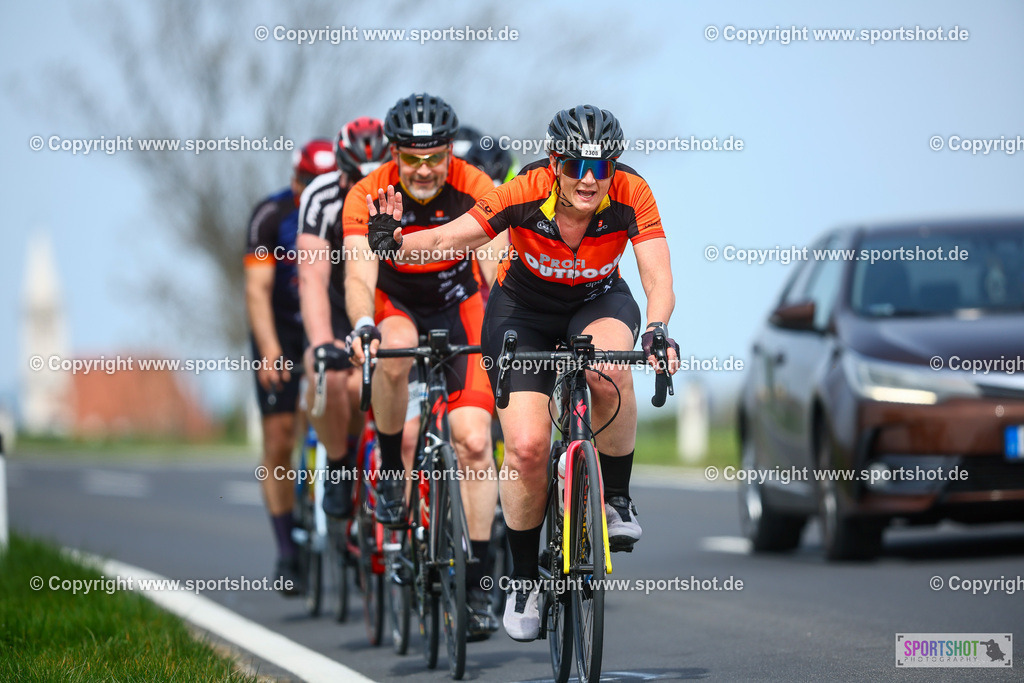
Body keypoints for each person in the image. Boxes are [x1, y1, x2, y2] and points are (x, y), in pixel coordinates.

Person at [364, 104, 681, 641]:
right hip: (522, 312)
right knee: (528, 450)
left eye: (601, 167)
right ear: (554, 163)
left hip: (599, 301)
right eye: (576, 166)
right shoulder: (523, 191)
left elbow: (658, 275)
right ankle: (524, 578)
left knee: (609, 370)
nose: (588, 179)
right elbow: (447, 239)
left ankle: (616, 499)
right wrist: (395, 243)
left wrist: (656, 327)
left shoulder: (632, 192)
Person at [344, 93, 503, 639]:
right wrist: (361, 323)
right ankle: (393, 470)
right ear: (394, 153)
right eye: (412, 159)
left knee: (475, 442)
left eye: (435, 157)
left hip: (460, 305)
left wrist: (512, 323)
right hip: (397, 305)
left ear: (450, 151)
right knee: (392, 349)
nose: (424, 169)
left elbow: (497, 268)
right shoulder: (367, 193)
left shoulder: (476, 184)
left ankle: (478, 583)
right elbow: (358, 274)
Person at [244, 138, 338, 593]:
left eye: (324, 182)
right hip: (280, 329)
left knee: (335, 413)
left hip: (325, 323)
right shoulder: (269, 215)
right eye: (306, 181)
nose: (313, 190)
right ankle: (287, 551)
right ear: (294, 179)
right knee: (280, 439)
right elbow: (257, 290)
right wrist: (268, 349)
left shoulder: (345, 208)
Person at [297, 118, 389, 519]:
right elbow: (312, 277)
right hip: (337, 305)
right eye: (355, 177)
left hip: (387, 301)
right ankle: (337, 464)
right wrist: (322, 343)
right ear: (341, 171)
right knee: (328, 376)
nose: (363, 186)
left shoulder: (405, 191)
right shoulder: (321, 197)